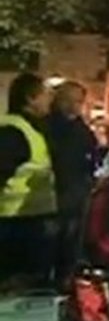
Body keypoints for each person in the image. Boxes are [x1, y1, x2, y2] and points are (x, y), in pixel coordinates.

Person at [0, 72, 57, 286]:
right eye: (45, 95)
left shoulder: (33, 128)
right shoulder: (13, 131)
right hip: (14, 224)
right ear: (30, 98)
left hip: (29, 220)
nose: (49, 100)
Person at [47, 81, 99, 284]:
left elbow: (91, 156)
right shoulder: (50, 126)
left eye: (78, 101)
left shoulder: (81, 129)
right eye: (69, 100)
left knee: (70, 247)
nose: (74, 105)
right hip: (53, 194)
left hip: (76, 194)